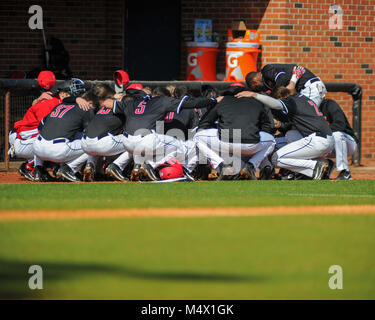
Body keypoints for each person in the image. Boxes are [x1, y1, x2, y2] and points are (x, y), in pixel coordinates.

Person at [100, 87, 220, 181]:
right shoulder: (163, 101)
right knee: (178, 144)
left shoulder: (132, 103)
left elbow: (106, 103)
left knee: (137, 144)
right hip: (147, 140)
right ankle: (151, 166)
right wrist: (212, 100)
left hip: (128, 142)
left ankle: (117, 166)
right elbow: (191, 104)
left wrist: (116, 97)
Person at [236, 87, 334, 180]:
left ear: (281, 97)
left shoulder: (291, 101)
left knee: (276, 158)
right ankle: (321, 167)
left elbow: (277, 104)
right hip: (326, 139)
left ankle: (315, 165)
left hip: (317, 140)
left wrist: (254, 95)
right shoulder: (303, 98)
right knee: (286, 138)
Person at [194, 82, 275, 180]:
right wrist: (255, 133)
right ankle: (251, 166)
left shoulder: (223, 101)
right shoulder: (256, 102)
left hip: (225, 143)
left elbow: (204, 123)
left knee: (197, 137)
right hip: (250, 145)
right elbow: (268, 126)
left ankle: (220, 165)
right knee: (271, 141)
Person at [8, 71, 68, 180]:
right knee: (47, 140)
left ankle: (38, 167)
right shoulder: (47, 102)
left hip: (25, 137)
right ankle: (30, 166)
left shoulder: (48, 100)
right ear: (62, 93)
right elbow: (45, 128)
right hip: (21, 140)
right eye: (67, 93)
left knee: (51, 140)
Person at [33, 86, 99, 182]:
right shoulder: (86, 109)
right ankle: (68, 169)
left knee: (41, 136)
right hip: (58, 151)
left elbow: (40, 126)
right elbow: (91, 134)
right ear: (89, 102)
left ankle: (38, 170)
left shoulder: (59, 106)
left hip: (37, 149)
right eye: (94, 106)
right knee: (92, 145)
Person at [246, 63, 326, 107]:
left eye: (255, 87)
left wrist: (274, 98)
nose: (258, 89)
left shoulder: (266, 70)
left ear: (255, 81)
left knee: (307, 115)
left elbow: (282, 78)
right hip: (308, 88)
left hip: (309, 86)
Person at [320, 99, 359, 180]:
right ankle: (326, 165)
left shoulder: (329, 104)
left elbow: (340, 125)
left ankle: (345, 172)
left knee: (337, 135)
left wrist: (321, 130)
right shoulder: (308, 108)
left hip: (347, 142)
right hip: (327, 145)